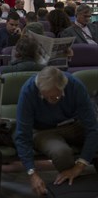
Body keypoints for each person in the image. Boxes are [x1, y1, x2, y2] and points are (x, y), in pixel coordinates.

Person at [15, 67, 98, 196]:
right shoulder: (28, 90)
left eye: (55, 97)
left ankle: (82, 183)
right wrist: (32, 173)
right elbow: (22, 135)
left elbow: (93, 128)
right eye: (45, 96)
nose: (50, 100)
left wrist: (79, 167)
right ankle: (72, 190)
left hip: (73, 124)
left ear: (64, 87)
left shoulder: (75, 85)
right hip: (44, 131)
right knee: (61, 152)